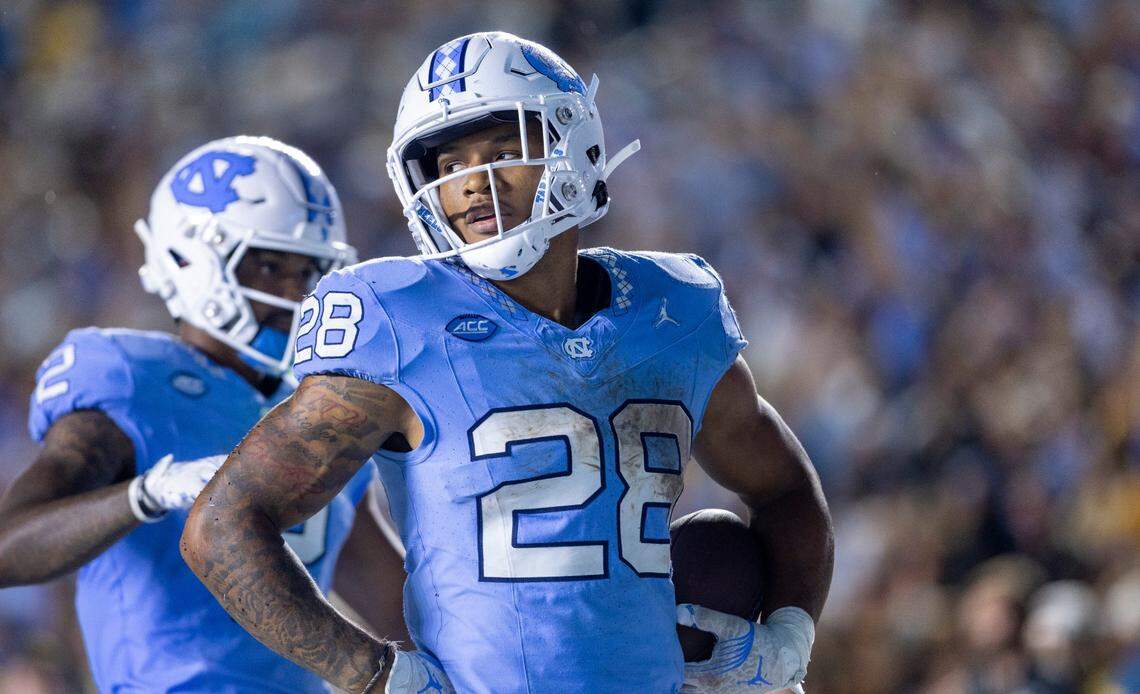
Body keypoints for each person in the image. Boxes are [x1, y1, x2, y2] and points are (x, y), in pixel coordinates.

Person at [182, 33, 834, 694]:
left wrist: (789, 636)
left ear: (572, 147)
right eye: (450, 165)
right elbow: (221, 525)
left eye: (504, 150)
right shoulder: (399, 322)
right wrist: (373, 674)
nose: (474, 184)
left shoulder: (672, 314)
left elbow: (784, 491)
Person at [0, 136, 408, 692]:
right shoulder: (128, 379)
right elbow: (8, 546)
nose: (296, 291)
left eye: (308, 271)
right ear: (192, 261)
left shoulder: (326, 405)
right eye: (269, 265)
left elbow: (382, 587)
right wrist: (146, 494)